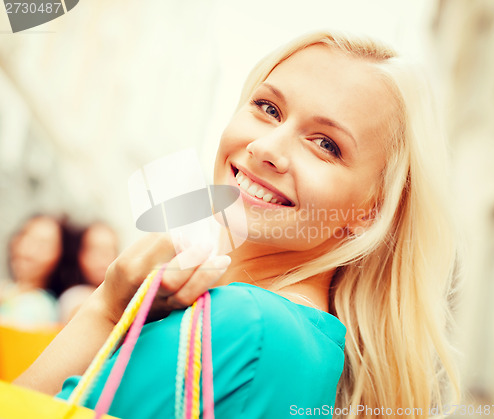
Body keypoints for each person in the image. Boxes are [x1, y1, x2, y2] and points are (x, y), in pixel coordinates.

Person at [15, 31, 460, 418]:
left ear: (371, 210)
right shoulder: (302, 339)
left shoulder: (245, 325)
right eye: (268, 108)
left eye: (326, 144)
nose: (267, 147)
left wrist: (107, 308)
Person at [0, 215, 63, 327]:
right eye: (24, 235)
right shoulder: (6, 289)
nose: (27, 248)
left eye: (42, 244)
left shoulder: (42, 307)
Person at [58, 222, 119, 323]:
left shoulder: (126, 298)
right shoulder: (73, 298)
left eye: (109, 249)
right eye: (95, 249)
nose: (103, 256)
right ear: (81, 255)